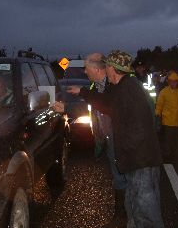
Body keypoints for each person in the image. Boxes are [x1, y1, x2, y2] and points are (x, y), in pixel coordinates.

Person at [67, 50, 163, 227]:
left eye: (107, 67)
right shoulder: (124, 87)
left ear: (112, 68)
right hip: (136, 160)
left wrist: (125, 151)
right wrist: (82, 92)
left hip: (141, 160)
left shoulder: (128, 89)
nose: (105, 70)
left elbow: (142, 127)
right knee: (134, 206)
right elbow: (105, 103)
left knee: (146, 211)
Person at [53, 53, 128, 227]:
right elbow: (92, 104)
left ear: (96, 69)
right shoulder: (99, 85)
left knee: (122, 176)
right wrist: (67, 106)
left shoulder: (112, 85)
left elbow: (104, 105)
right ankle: (122, 213)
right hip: (110, 137)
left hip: (118, 138)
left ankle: (123, 216)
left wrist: (71, 103)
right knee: (118, 175)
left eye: (86, 69)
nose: (85, 73)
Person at [155, 71, 178, 161]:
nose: (173, 83)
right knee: (168, 140)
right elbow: (159, 105)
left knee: (176, 141)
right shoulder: (164, 92)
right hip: (167, 121)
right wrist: (157, 115)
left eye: (175, 81)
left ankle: (175, 156)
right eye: (171, 81)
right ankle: (167, 156)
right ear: (168, 82)